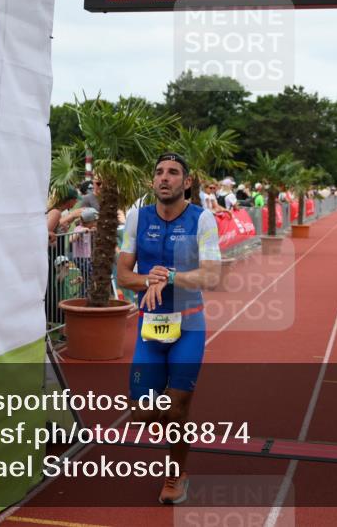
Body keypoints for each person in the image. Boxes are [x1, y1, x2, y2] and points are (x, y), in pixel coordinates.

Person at [116, 152, 220, 505]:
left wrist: (172, 276)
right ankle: (180, 414)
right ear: (152, 181)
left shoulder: (202, 219)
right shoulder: (136, 217)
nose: (165, 178)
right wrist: (150, 279)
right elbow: (124, 275)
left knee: (177, 410)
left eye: (173, 172)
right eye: (159, 172)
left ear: (186, 182)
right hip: (151, 326)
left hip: (188, 324)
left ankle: (176, 476)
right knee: (142, 413)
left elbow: (212, 274)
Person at [71, 207, 97, 298]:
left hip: (87, 257)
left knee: (87, 278)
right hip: (80, 257)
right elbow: (71, 239)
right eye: (95, 221)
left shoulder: (88, 228)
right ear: (89, 221)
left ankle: (84, 295)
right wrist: (82, 231)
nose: (96, 223)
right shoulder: (79, 228)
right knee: (89, 276)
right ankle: (83, 296)